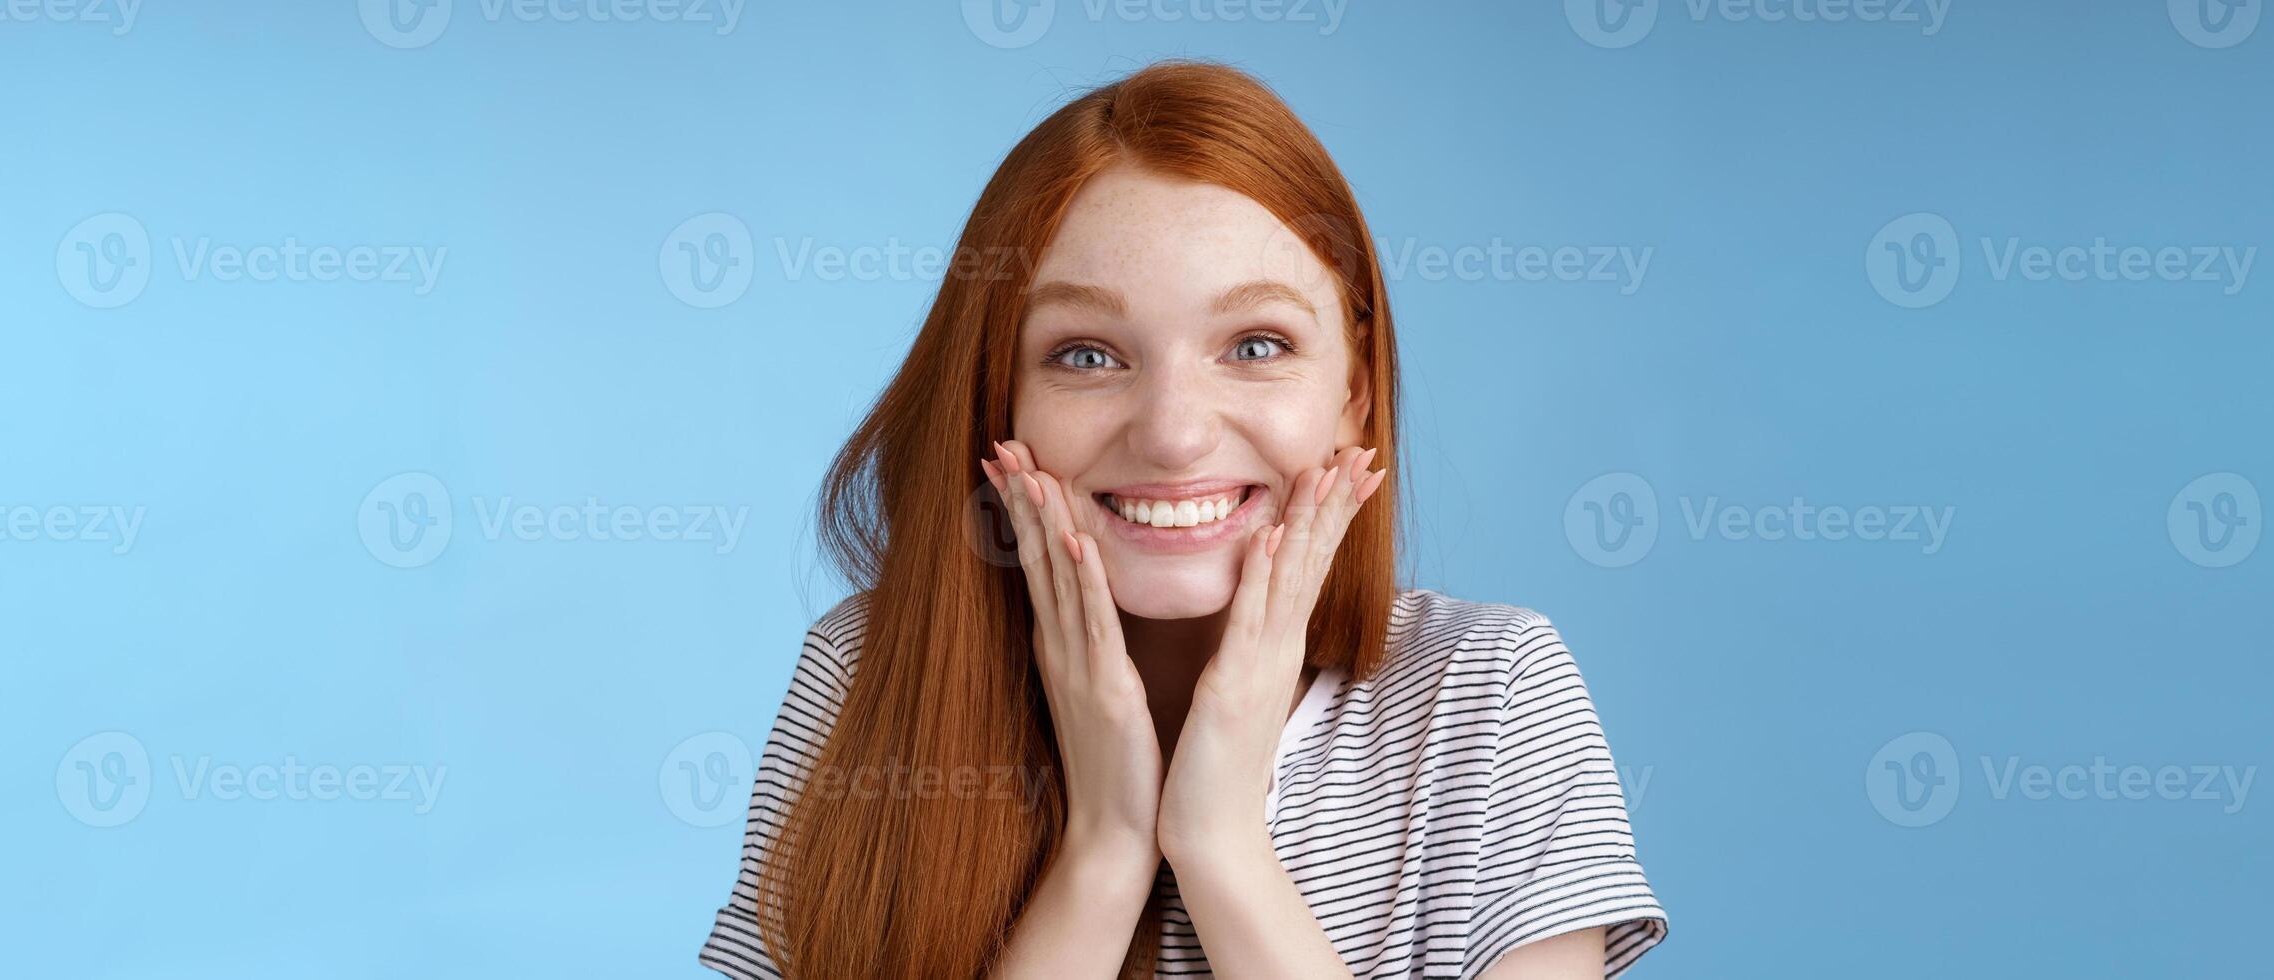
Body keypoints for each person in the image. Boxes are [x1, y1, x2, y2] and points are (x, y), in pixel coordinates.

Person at [700, 61, 1667, 979]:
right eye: (1085, 354)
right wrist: (1106, 850)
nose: (1172, 437)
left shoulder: (1488, 694)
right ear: (998, 398)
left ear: (1354, 396)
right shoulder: (866, 673)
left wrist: (1221, 846)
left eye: (1255, 344)